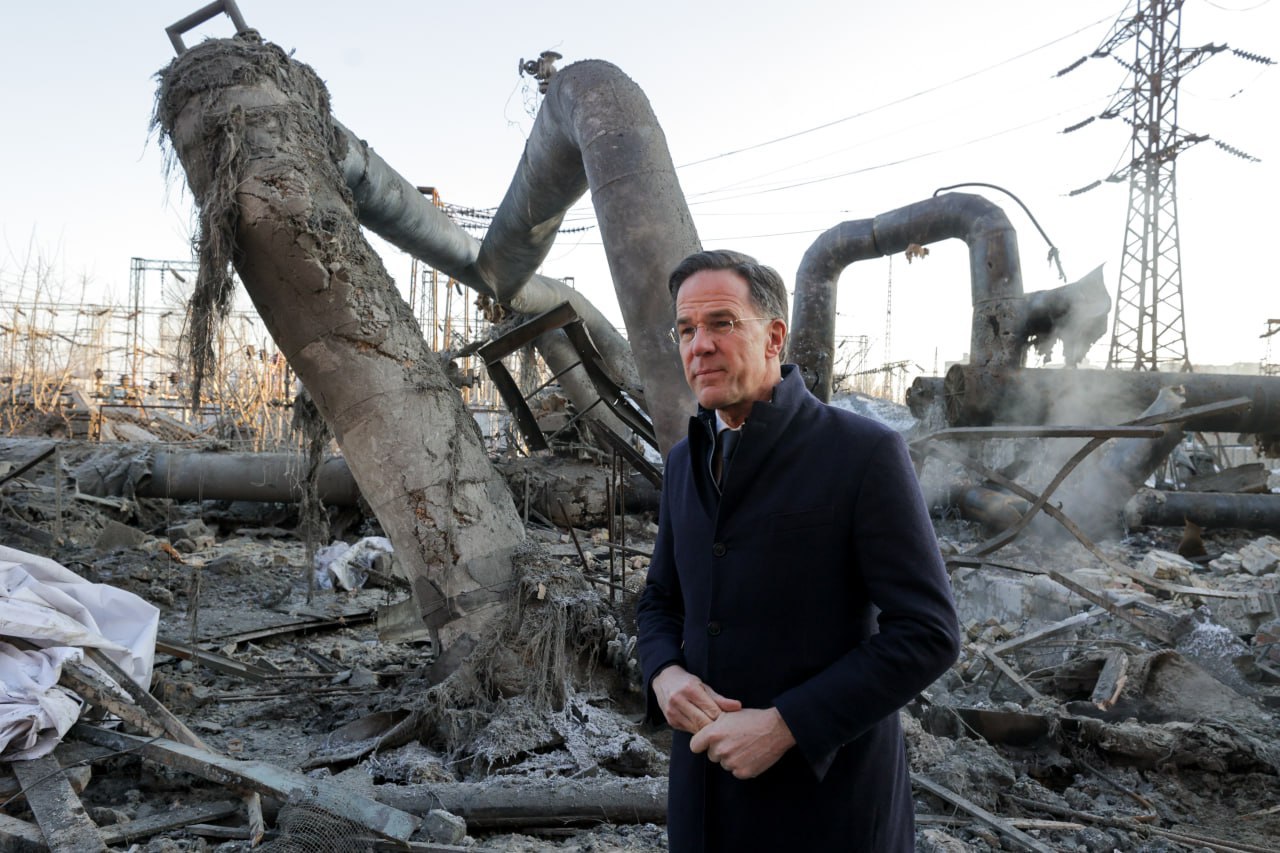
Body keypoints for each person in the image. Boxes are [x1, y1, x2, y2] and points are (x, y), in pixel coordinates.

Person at [636, 249, 961, 852]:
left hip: (827, 804)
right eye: (685, 329)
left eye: (721, 323)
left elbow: (928, 632)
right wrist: (664, 673)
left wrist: (787, 725)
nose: (699, 346)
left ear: (773, 337)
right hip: (705, 798)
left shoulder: (861, 453)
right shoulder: (684, 462)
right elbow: (660, 600)